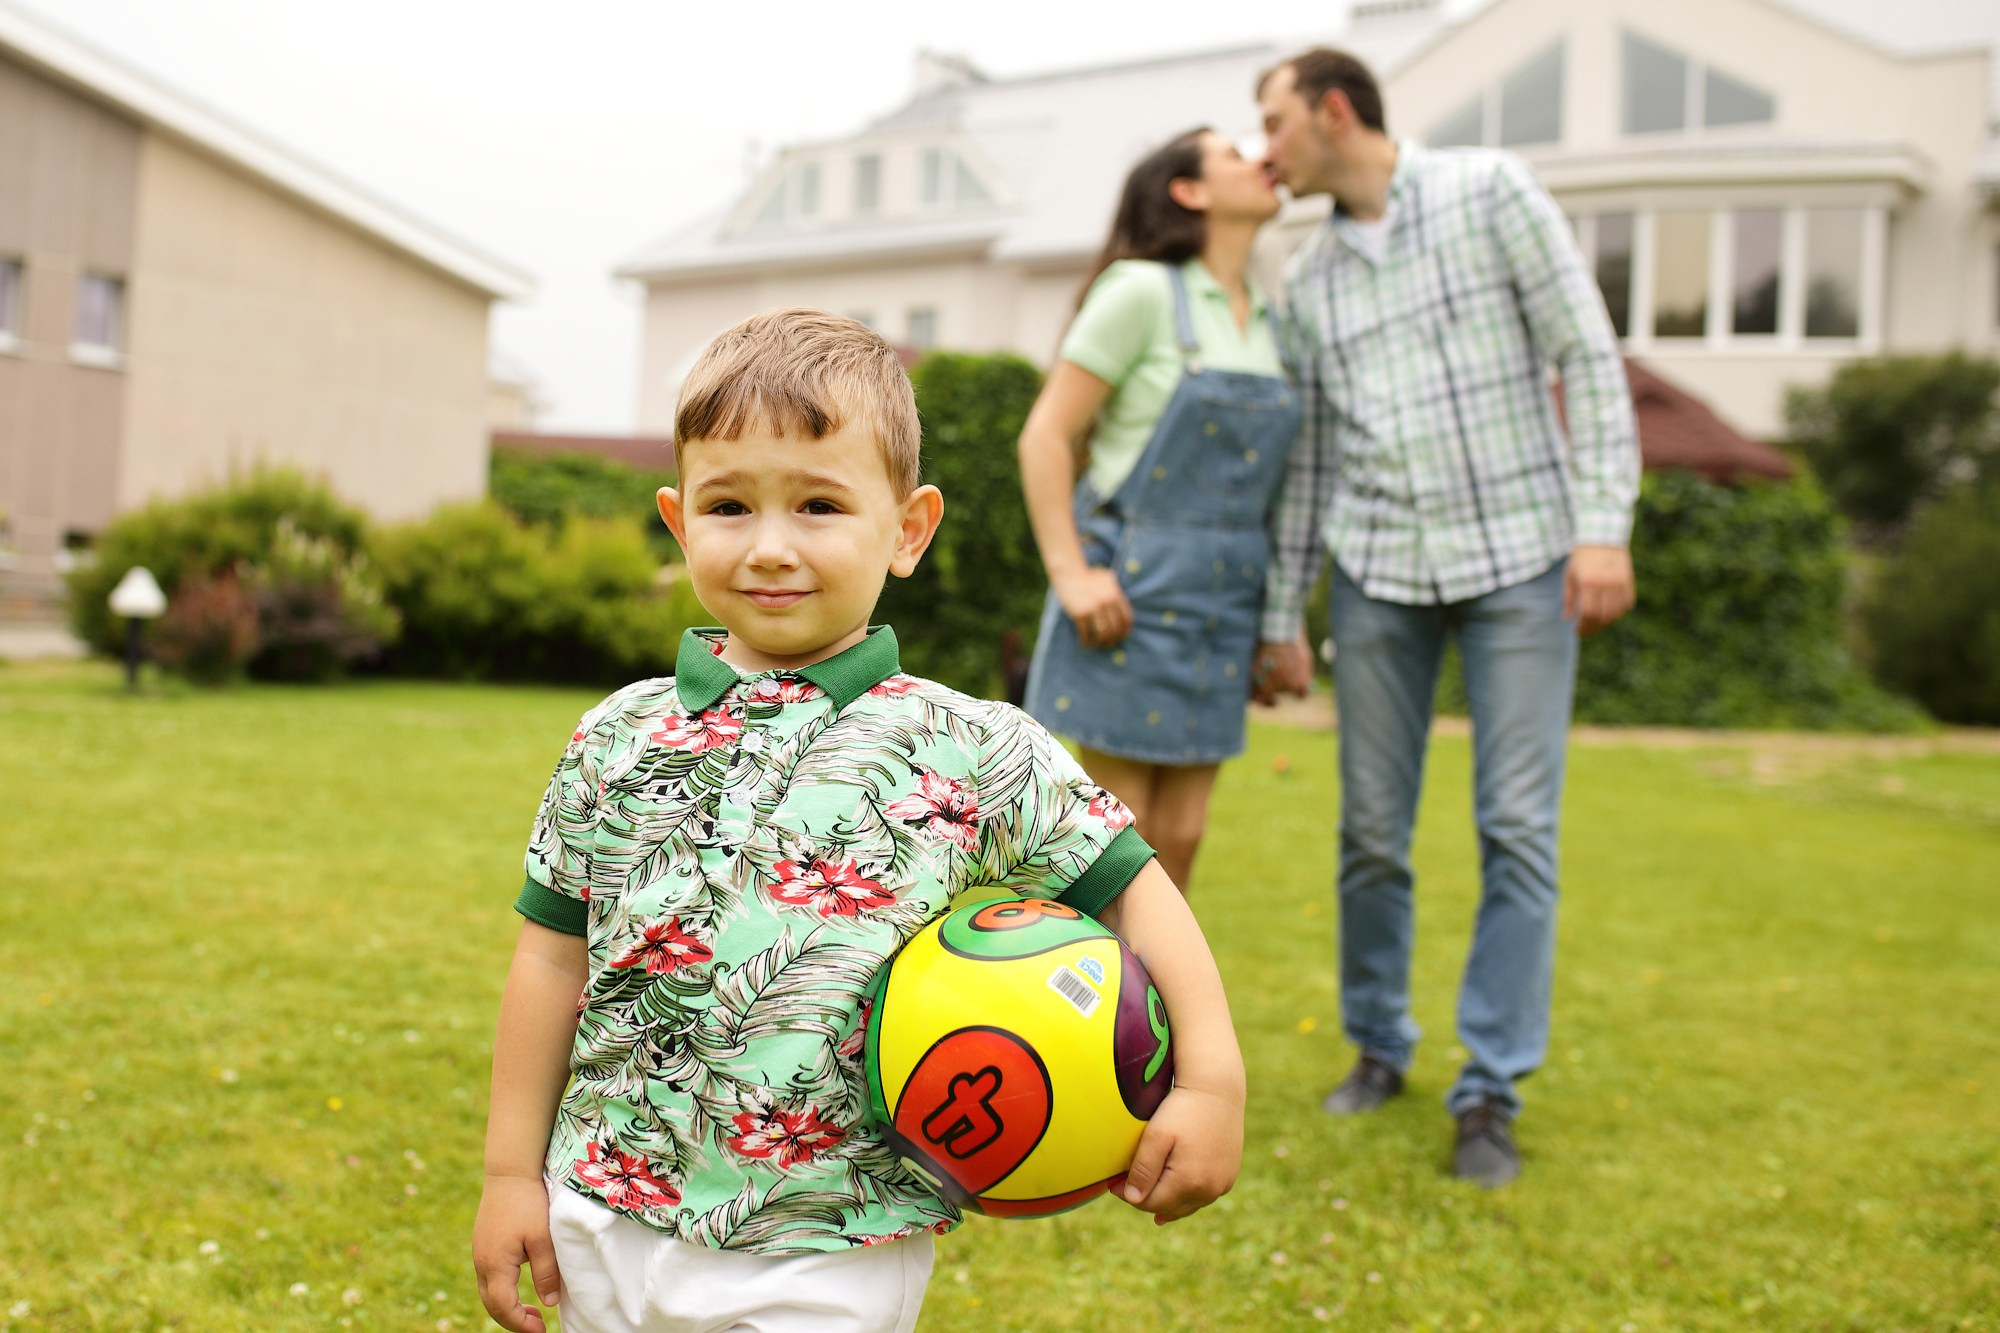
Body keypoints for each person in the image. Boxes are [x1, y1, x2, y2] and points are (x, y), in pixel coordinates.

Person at [472, 309, 1246, 1333]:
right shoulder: (615, 736)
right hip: (605, 1208)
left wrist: (1213, 1081)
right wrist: (506, 1172)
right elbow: (549, 963)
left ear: (908, 527)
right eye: (730, 505)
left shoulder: (969, 745)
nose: (771, 545)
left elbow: (1136, 887)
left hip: (832, 1236)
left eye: (820, 503)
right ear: (677, 519)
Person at [1251, 49, 1641, 1188]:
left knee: (1515, 826)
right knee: (1370, 830)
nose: (1264, 150)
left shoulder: (1491, 192)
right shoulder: (1307, 273)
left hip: (1522, 558)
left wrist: (1601, 523)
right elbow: (1312, 453)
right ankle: (1378, 1043)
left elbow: (1584, 351)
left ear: (1333, 112)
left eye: (1273, 124)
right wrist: (1284, 608)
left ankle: (1489, 1087)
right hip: (1378, 571)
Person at [1019, 127, 1301, 890]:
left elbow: (1279, 495)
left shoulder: (1272, 321)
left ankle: (1159, 1010)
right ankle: (1096, 1009)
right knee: (1125, 835)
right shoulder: (1141, 292)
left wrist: (1281, 620)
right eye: (1237, 153)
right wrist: (1071, 573)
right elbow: (1045, 435)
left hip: (1225, 595)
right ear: (1189, 191)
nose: (1261, 159)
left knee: (1184, 831)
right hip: (1130, 589)